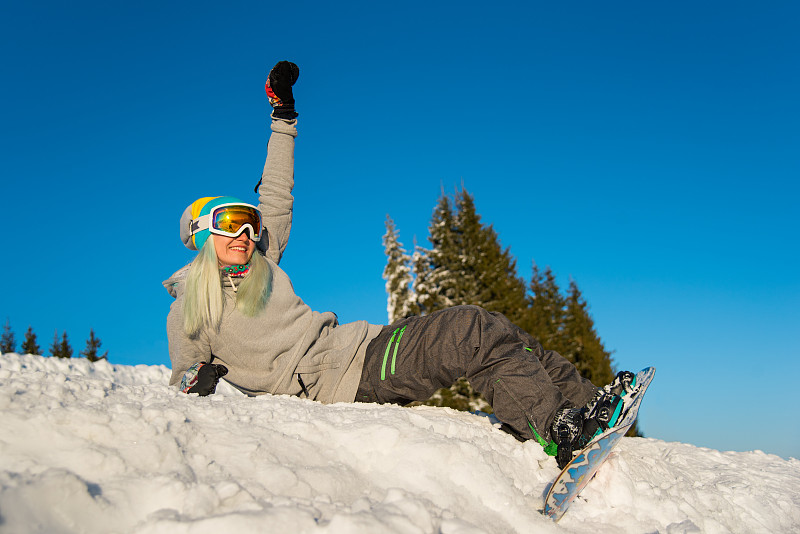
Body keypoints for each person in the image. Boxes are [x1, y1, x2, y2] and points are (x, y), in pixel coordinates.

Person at [163, 61, 635, 468]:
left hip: (359, 347)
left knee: (492, 327)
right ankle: (560, 432)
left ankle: (586, 403)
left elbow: (276, 194)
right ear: (203, 233)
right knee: (467, 329)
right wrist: (193, 380)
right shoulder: (190, 308)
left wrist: (282, 117)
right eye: (232, 224)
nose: (247, 234)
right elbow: (181, 379)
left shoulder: (264, 264)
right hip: (340, 381)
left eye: (250, 224)